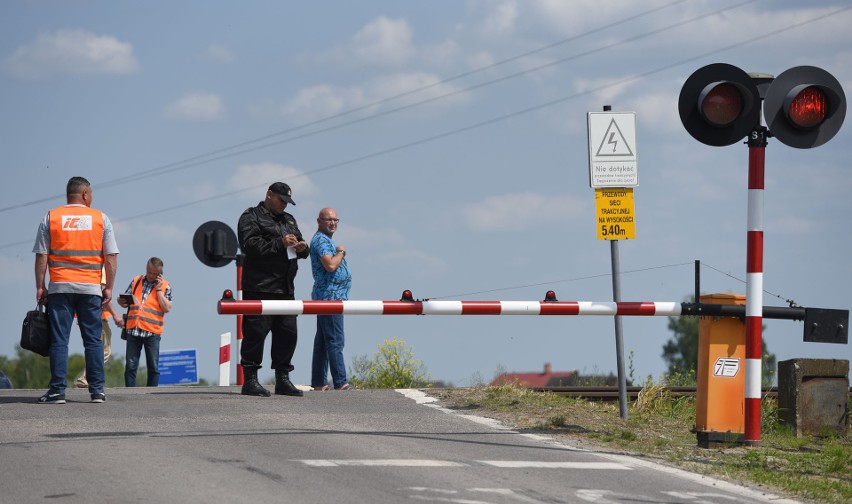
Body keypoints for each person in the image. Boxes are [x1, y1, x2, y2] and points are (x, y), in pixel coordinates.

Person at [33, 176, 119, 404]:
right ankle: (97, 391)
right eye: (91, 194)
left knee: (59, 341)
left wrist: (40, 286)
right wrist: (108, 287)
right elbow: (110, 258)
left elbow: (42, 256)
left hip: (60, 288)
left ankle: (57, 392)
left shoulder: (51, 217)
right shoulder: (101, 219)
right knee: (93, 341)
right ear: (84, 194)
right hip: (91, 288)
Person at [237, 182, 309, 397]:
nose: (284, 206)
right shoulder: (251, 216)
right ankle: (250, 380)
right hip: (259, 288)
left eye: (287, 202)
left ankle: (283, 379)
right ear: (269, 195)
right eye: (281, 200)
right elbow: (250, 245)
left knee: (288, 335)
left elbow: (301, 246)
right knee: (255, 335)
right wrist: (280, 243)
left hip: (285, 289)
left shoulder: (288, 220)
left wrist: (303, 248)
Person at [309, 208, 353, 391]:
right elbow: (330, 265)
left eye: (336, 219)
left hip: (329, 296)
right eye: (329, 219)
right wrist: (341, 252)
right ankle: (341, 381)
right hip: (330, 297)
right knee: (335, 340)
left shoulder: (324, 240)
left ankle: (319, 382)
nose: (333, 223)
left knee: (323, 340)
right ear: (319, 221)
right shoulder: (321, 240)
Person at [118, 257, 172, 387]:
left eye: (155, 274)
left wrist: (158, 290)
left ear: (160, 273)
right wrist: (121, 301)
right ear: (146, 269)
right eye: (149, 272)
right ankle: (130, 394)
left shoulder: (165, 286)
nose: (151, 276)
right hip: (133, 329)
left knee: (153, 367)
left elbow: (167, 308)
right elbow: (125, 300)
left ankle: (151, 394)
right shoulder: (136, 281)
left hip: (152, 332)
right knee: (130, 366)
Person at [74, 267, 124, 388]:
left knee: (95, 346)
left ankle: (85, 379)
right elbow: (103, 292)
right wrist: (116, 315)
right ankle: (85, 379)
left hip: (86, 311)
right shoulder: (99, 265)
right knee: (103, 349)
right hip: (96, 313)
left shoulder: (87, 264)